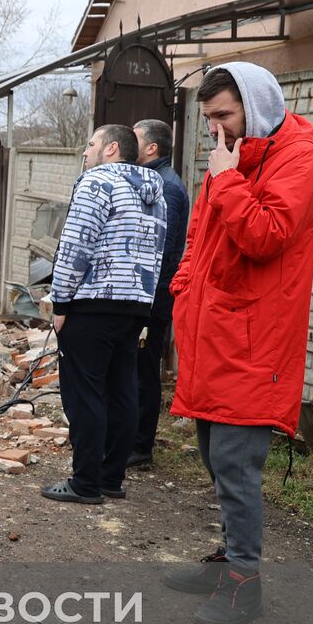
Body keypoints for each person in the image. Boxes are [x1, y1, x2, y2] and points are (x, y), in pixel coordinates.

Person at [164, 63, 313, 624]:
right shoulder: (228, 158)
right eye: (208, 118)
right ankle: (227, 559)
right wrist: (183, 288)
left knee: (236, 465)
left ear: (255, 106)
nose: (215, 129)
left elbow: (265, 236)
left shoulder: (300, 161)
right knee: (215, 457)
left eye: (224, 116)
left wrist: (229, 179)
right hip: (214, 335)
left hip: (256, 343)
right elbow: (199, 238)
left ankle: (244, 583)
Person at [40, 124, 165, 508]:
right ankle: (111, 478)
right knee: (122, 390)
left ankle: (85, 483)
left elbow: (76, 245)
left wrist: (60, 303)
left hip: (92, 303)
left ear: (111, 148)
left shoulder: (97, 183)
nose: (85, 151)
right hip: (135, 304)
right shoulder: (155, 192)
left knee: (86, 394)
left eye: (91, 143)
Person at [128, 119, 190, 468]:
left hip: (152, 297)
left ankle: (140, 447)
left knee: (144, 368)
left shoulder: (166, 186)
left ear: (152, 148)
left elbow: (163, 250)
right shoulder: (156, 179)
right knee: (136, 367)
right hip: (147, 292)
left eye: (135, 139)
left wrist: (145, 297)